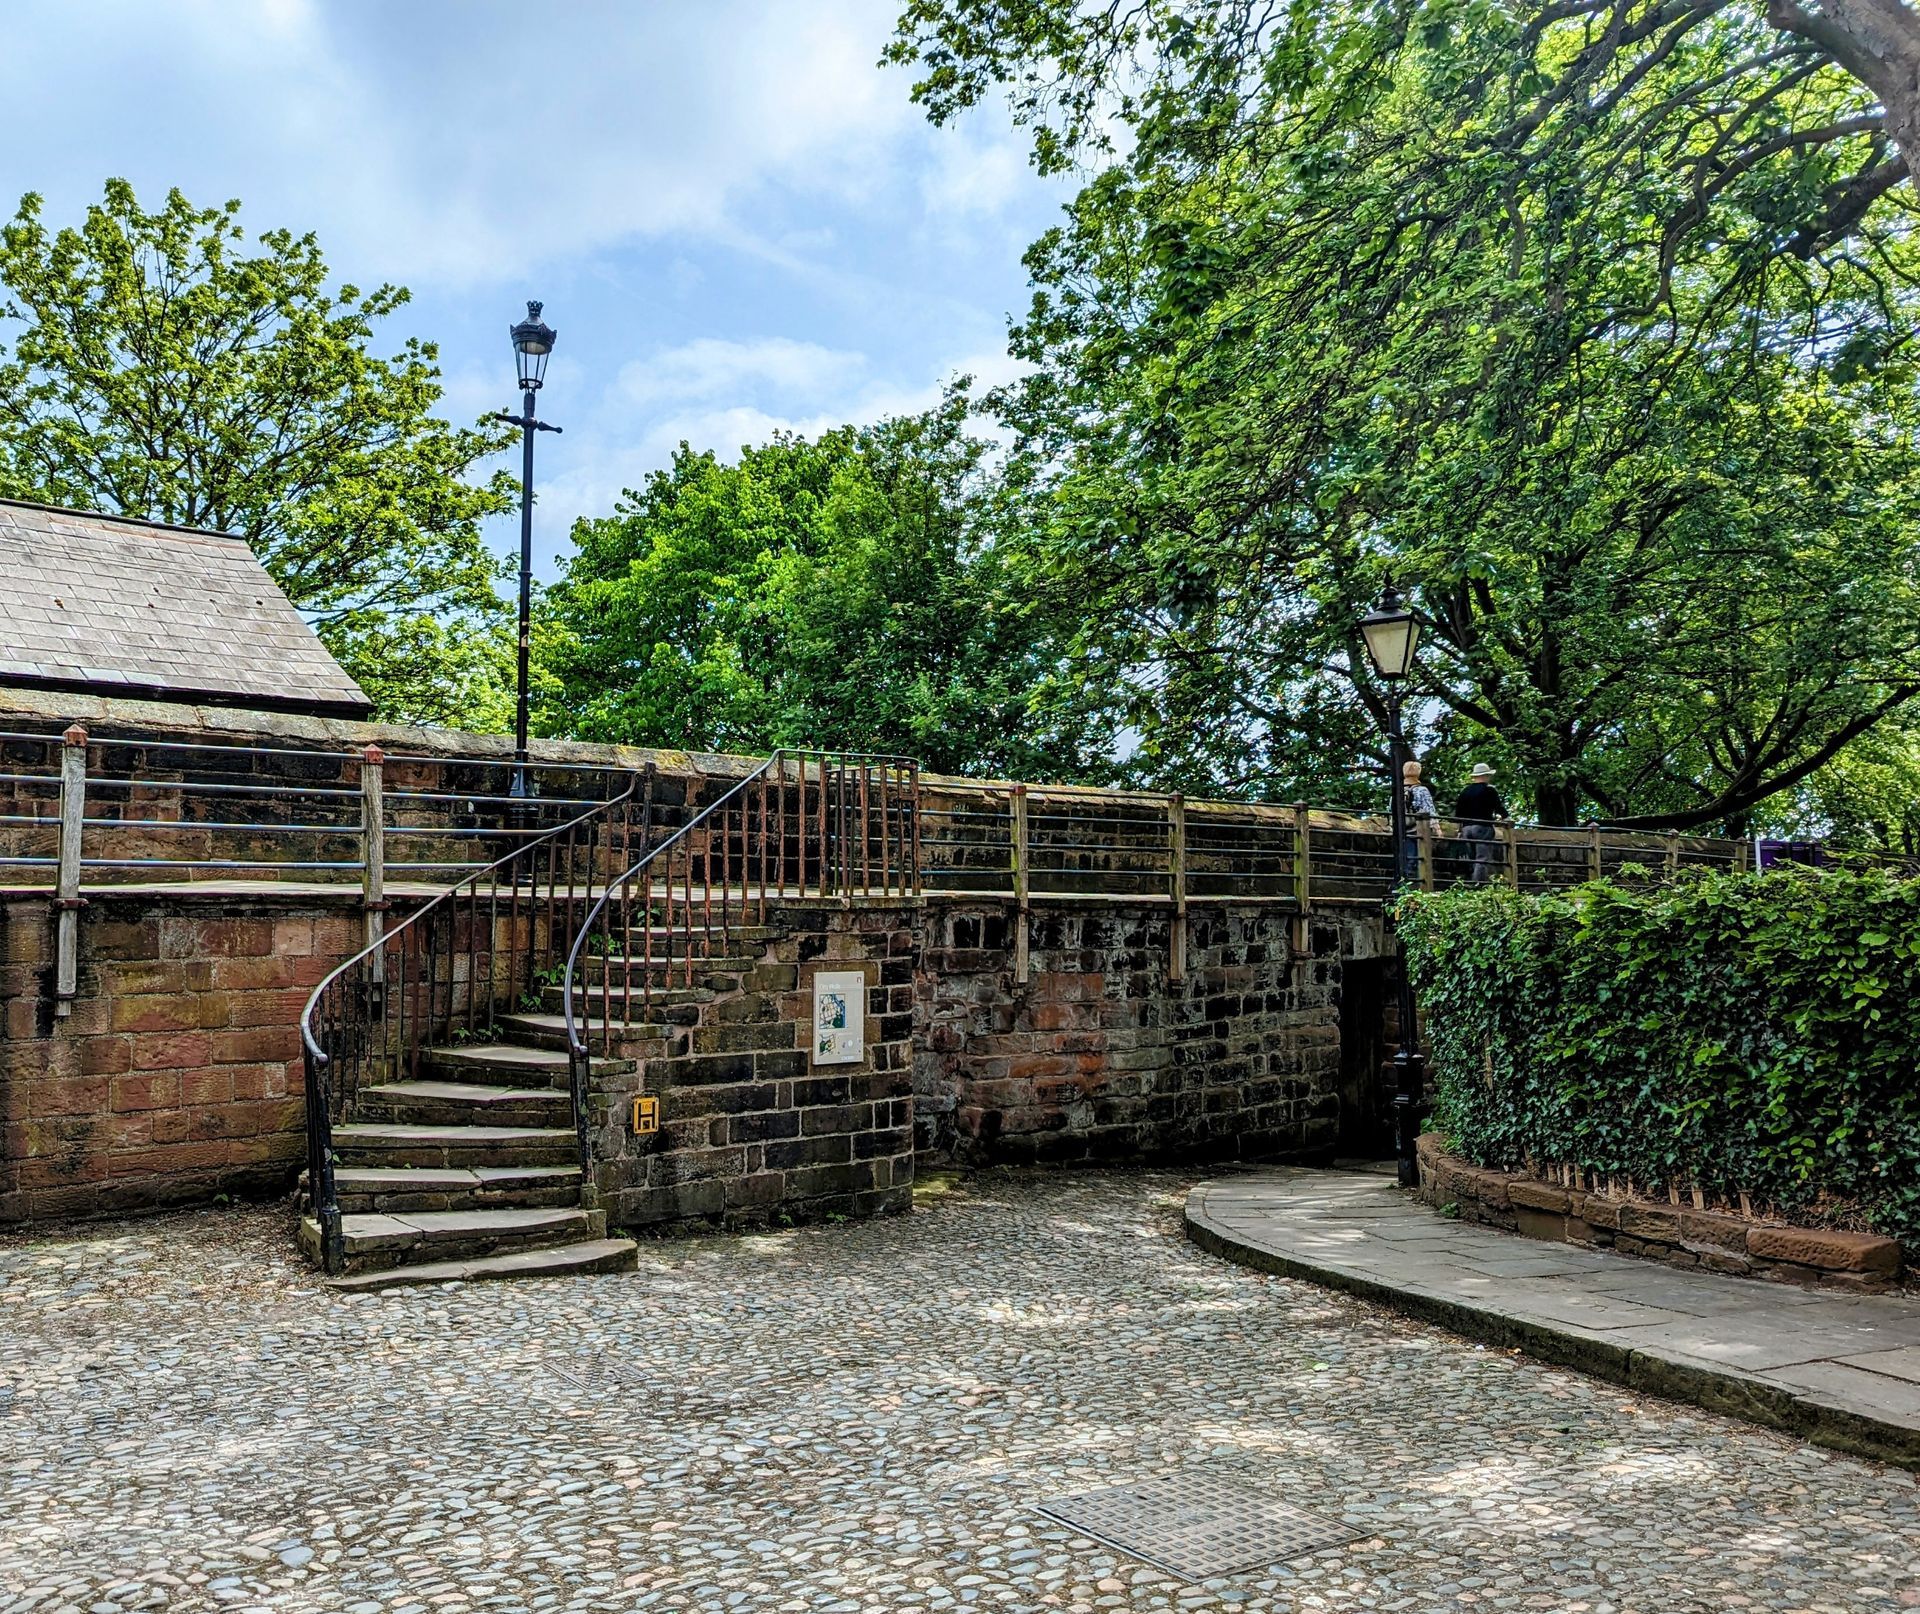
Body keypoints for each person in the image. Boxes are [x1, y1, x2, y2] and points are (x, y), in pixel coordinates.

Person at [1456, 762, 1505, 884]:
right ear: (1486, 776)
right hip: (1482, 826)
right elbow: (1499, 808)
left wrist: (1460, 829)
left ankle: (1469, 880)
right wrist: (1506, 818)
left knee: (1472, 856)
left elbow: (1458, 814)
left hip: (1467, 828)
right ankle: (1477, 883)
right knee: (1482, 858)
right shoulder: (1489, 791)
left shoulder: (1465, 791)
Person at [1399, 759, 1436, 881]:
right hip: (1418, 830)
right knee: (1419, 859)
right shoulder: (1421, 790)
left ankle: (1403, 884)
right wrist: (1437, 828)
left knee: (1405, 858)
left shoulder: (1397, 791)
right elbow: (1429, 810)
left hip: (1401, 830)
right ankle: (1417, 886)